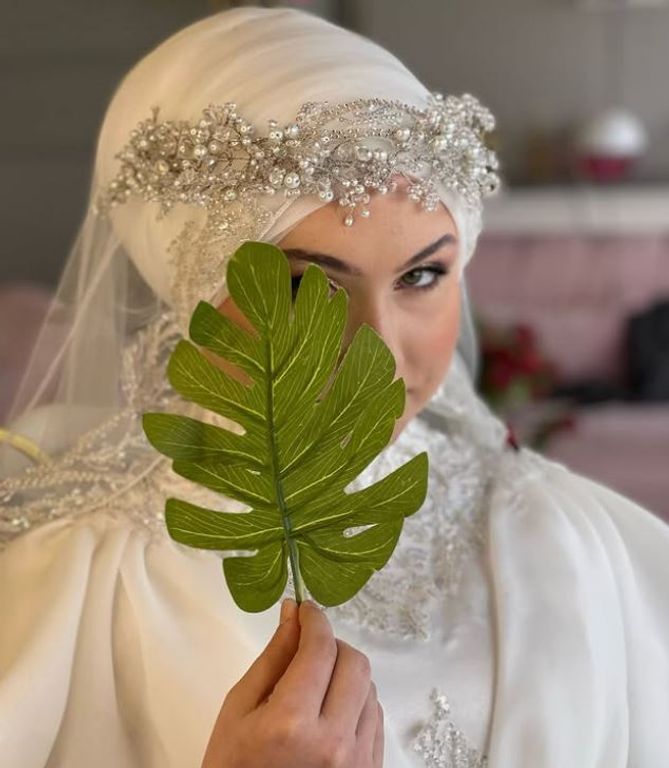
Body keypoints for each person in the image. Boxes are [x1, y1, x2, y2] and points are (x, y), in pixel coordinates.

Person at [1, 7, 668, 768]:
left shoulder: (562, 536)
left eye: (423, 275)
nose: (377, 355)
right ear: (189, 296)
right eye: (300, 288)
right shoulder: (84, 582)